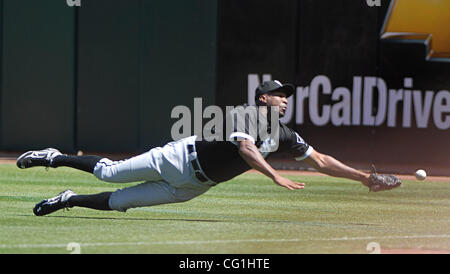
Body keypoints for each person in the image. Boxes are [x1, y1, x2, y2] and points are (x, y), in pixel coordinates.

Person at [17, 80, 400, 216]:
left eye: (287, 95)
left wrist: (364, 178)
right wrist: (273, 175)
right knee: (107, 171)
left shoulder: (283, 133)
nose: (285, 99)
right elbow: (247, 151)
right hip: (177, 158)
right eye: (279, 94)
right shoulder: (243, 115)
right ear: (263, 99)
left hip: (192, 187)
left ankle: (68, 200)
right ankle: (54, 157)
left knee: (119, 203)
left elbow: (319, 160)